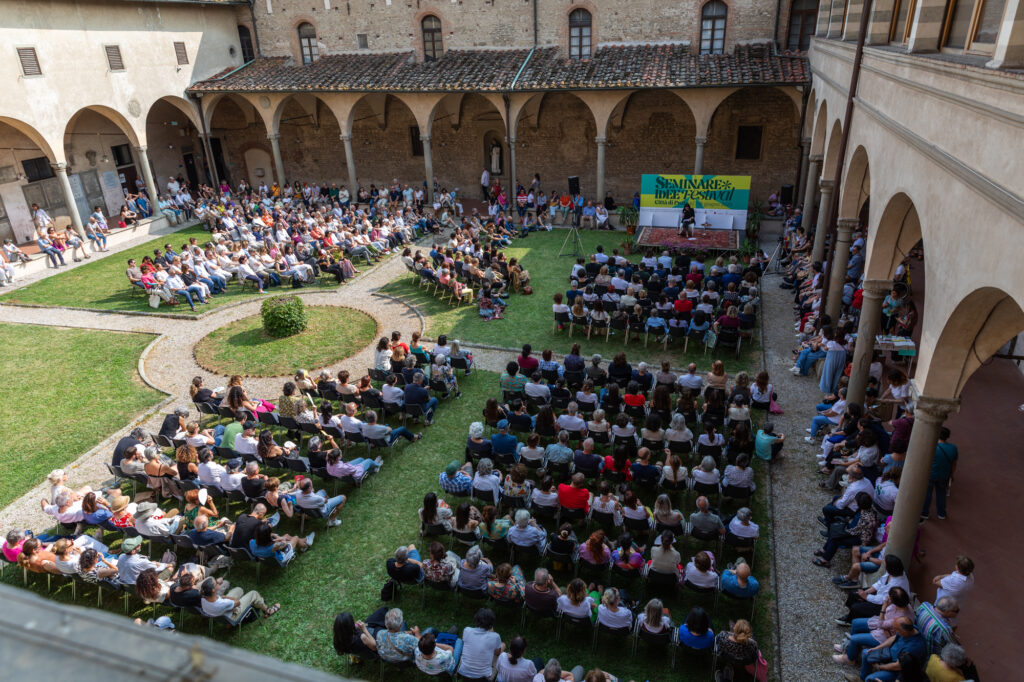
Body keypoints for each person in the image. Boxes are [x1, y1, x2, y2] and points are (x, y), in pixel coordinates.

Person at [855, 617, 927, 682]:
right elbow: (894, 638)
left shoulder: (913, 648)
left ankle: (867, 678)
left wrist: (880, 667)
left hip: (898, 670)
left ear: (904, 632)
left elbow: (898, 666)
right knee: (866, 652)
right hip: (888, 655)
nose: (894, 631)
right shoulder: (911, 628)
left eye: (896, 629)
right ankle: (862, 678)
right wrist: (876, 648)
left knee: (870, 679)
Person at [921, 427, 957, 521]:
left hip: (931, 474)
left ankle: (925, 513)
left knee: (927, 493)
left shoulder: (932, 446)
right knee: (941, 494)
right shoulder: (953, 448)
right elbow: (954, 464)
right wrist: (951, 474)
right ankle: (941, 513)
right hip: (944, 475)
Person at [458, 608, 504, 680]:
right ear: (491, 624)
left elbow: (465, 643)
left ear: (476, 619)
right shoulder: (495, 637)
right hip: (483, 677)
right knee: (503, 645)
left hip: (463, 673)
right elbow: (497, 653)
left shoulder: (467, 630)